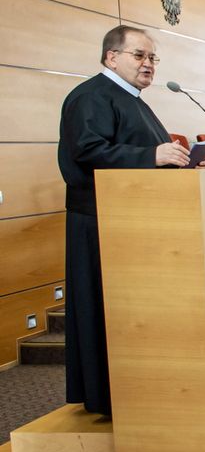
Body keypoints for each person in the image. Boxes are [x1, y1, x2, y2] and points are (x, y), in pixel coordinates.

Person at [59, 26, 191, 416]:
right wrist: (153, 157)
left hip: (134, 221)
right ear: (111, 57)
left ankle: (136, 388)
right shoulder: (91, 96)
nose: (148, 64)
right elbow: (88, 150)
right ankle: (108, 395)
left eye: (152, 58)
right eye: (139, 56)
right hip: (101, 222)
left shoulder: (131, 99)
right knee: (105, 310)